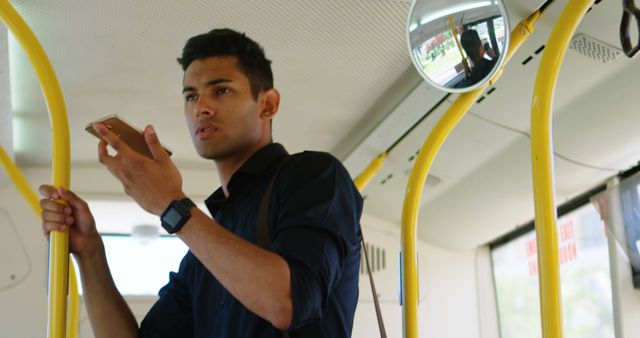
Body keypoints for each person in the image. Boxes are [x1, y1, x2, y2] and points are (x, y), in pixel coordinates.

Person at [39, 28, 363, 338]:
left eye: (221, 90)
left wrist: (172, 206)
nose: (200, 108)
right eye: (191, 96)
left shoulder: (315, 175)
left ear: (268, 104)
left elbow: (287, 302)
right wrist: (90, 252)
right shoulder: (204, 249)